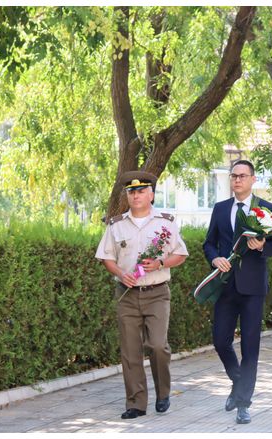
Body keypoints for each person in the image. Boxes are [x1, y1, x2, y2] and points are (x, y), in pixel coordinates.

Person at [95, 171, 188, 420]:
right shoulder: (116, 225)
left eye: (141, 191)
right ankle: (136, 403)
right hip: (126, 294)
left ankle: (163, 393)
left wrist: (159, 263)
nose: (136, 195)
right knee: (130, 349)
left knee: (157, 345)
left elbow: (180, 255)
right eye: (131, 192)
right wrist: (119, 273)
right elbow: (106, 257)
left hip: (157, 292)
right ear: (127, 196)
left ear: (151, 195)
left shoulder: (165, 223)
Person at [202, 159, 272, 425]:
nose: (237, 180)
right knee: (220, 341)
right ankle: (238, 382)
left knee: (251, 347)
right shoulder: (220, 208)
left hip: (252, 289)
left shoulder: (267, 209)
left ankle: (243, 404)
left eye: (242, 176)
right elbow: (209, 244)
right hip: (225, 285)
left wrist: (262, 245)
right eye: (233, 176)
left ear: (252, 179)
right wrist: (215, 259)